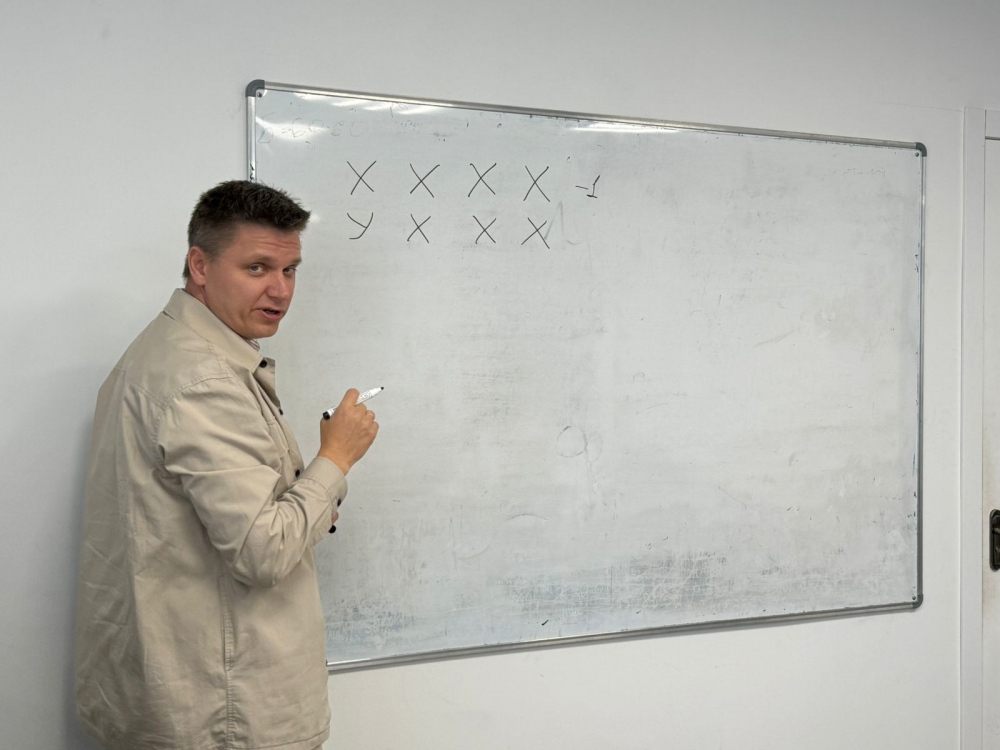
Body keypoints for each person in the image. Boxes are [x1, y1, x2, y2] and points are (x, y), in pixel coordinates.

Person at [74, 180, 378, 750]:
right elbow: (263, 552)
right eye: (257, 267)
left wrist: (311, 496)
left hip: (187, 693)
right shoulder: (203, 381)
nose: (280, 290)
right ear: (200, 265)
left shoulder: (167, 352)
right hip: (226, 713)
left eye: (290, 270)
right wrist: (337, 458)